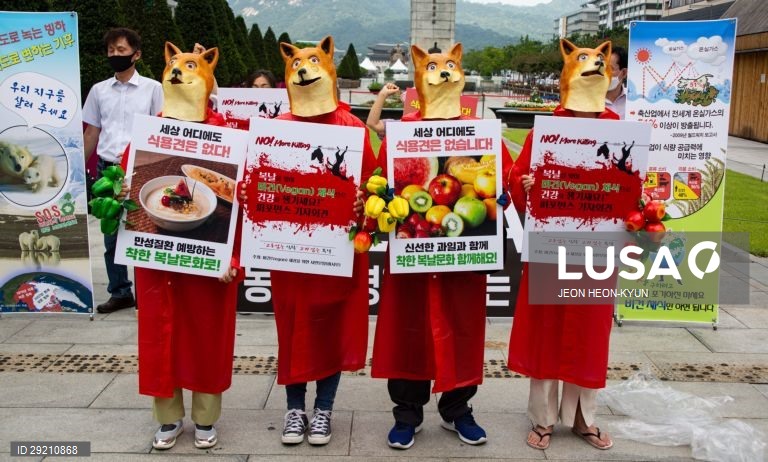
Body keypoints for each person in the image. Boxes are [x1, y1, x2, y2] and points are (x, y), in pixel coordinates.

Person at [371, 43, 514, 450]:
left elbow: (502, 184)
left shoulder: (481, 131)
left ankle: (458, 408)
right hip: (414, 249)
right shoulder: (402, 132)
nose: (443, 73)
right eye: (433, 68)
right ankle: (407, 412)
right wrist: (377, 199)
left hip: (461, 256)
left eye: (451, 66)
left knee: (463, 329)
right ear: (420, 76)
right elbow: (381, 182)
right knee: (408, 330)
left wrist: (505, 196)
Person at [124, 42, 242, 450]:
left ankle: (207, 417)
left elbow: (244, 202)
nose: (178, 73)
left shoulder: (231, 133)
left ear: (207, 79)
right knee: (161, 332)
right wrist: (120, 191)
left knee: (207, 332)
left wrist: (234, 254)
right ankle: (168, 417)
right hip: (159, 257)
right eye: (173, 66)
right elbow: (126, 177)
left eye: (189, 67)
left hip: (210, 257)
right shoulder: (147, 130)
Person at [506, 38, 617, 452]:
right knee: (548, 329)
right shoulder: (547, 130)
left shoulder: (619, 129)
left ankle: (584, 418)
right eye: (584, 61)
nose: (594, 66)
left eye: (600, 61)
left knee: (590, 332)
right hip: (552, 246)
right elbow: (517, 183)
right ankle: (543, 417)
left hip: (598, 249)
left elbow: (631, 185)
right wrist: (528, 184)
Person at [266, 36, 375, 446]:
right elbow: (262, 181)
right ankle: (295, 409)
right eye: (296, 63)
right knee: (292, 326)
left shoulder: (352, 128)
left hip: (337, 252)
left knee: (331, 328)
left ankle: (324, 409)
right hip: (291, 253)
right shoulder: (276, 129)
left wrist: (367, 197)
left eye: (314, 62)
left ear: (328, 68)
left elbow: (377, 186)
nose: (304, 70)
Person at [82, 27, 163, 314]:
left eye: (121, 50)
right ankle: (120, 291)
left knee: (146, 230)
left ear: (136, 54)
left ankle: (149, 292)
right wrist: (79, 170)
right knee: (111, 233)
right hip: (109, 170)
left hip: (141, 168)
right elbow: (92, 132)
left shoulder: (154, 88)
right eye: (111, 50)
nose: (115, 55)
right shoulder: (98, 90)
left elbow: (161, 131)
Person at [605, 46, 628, 119]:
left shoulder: (633, 101)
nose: (604, 73)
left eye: (609, 69)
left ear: (624, 73)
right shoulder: (589, 102)